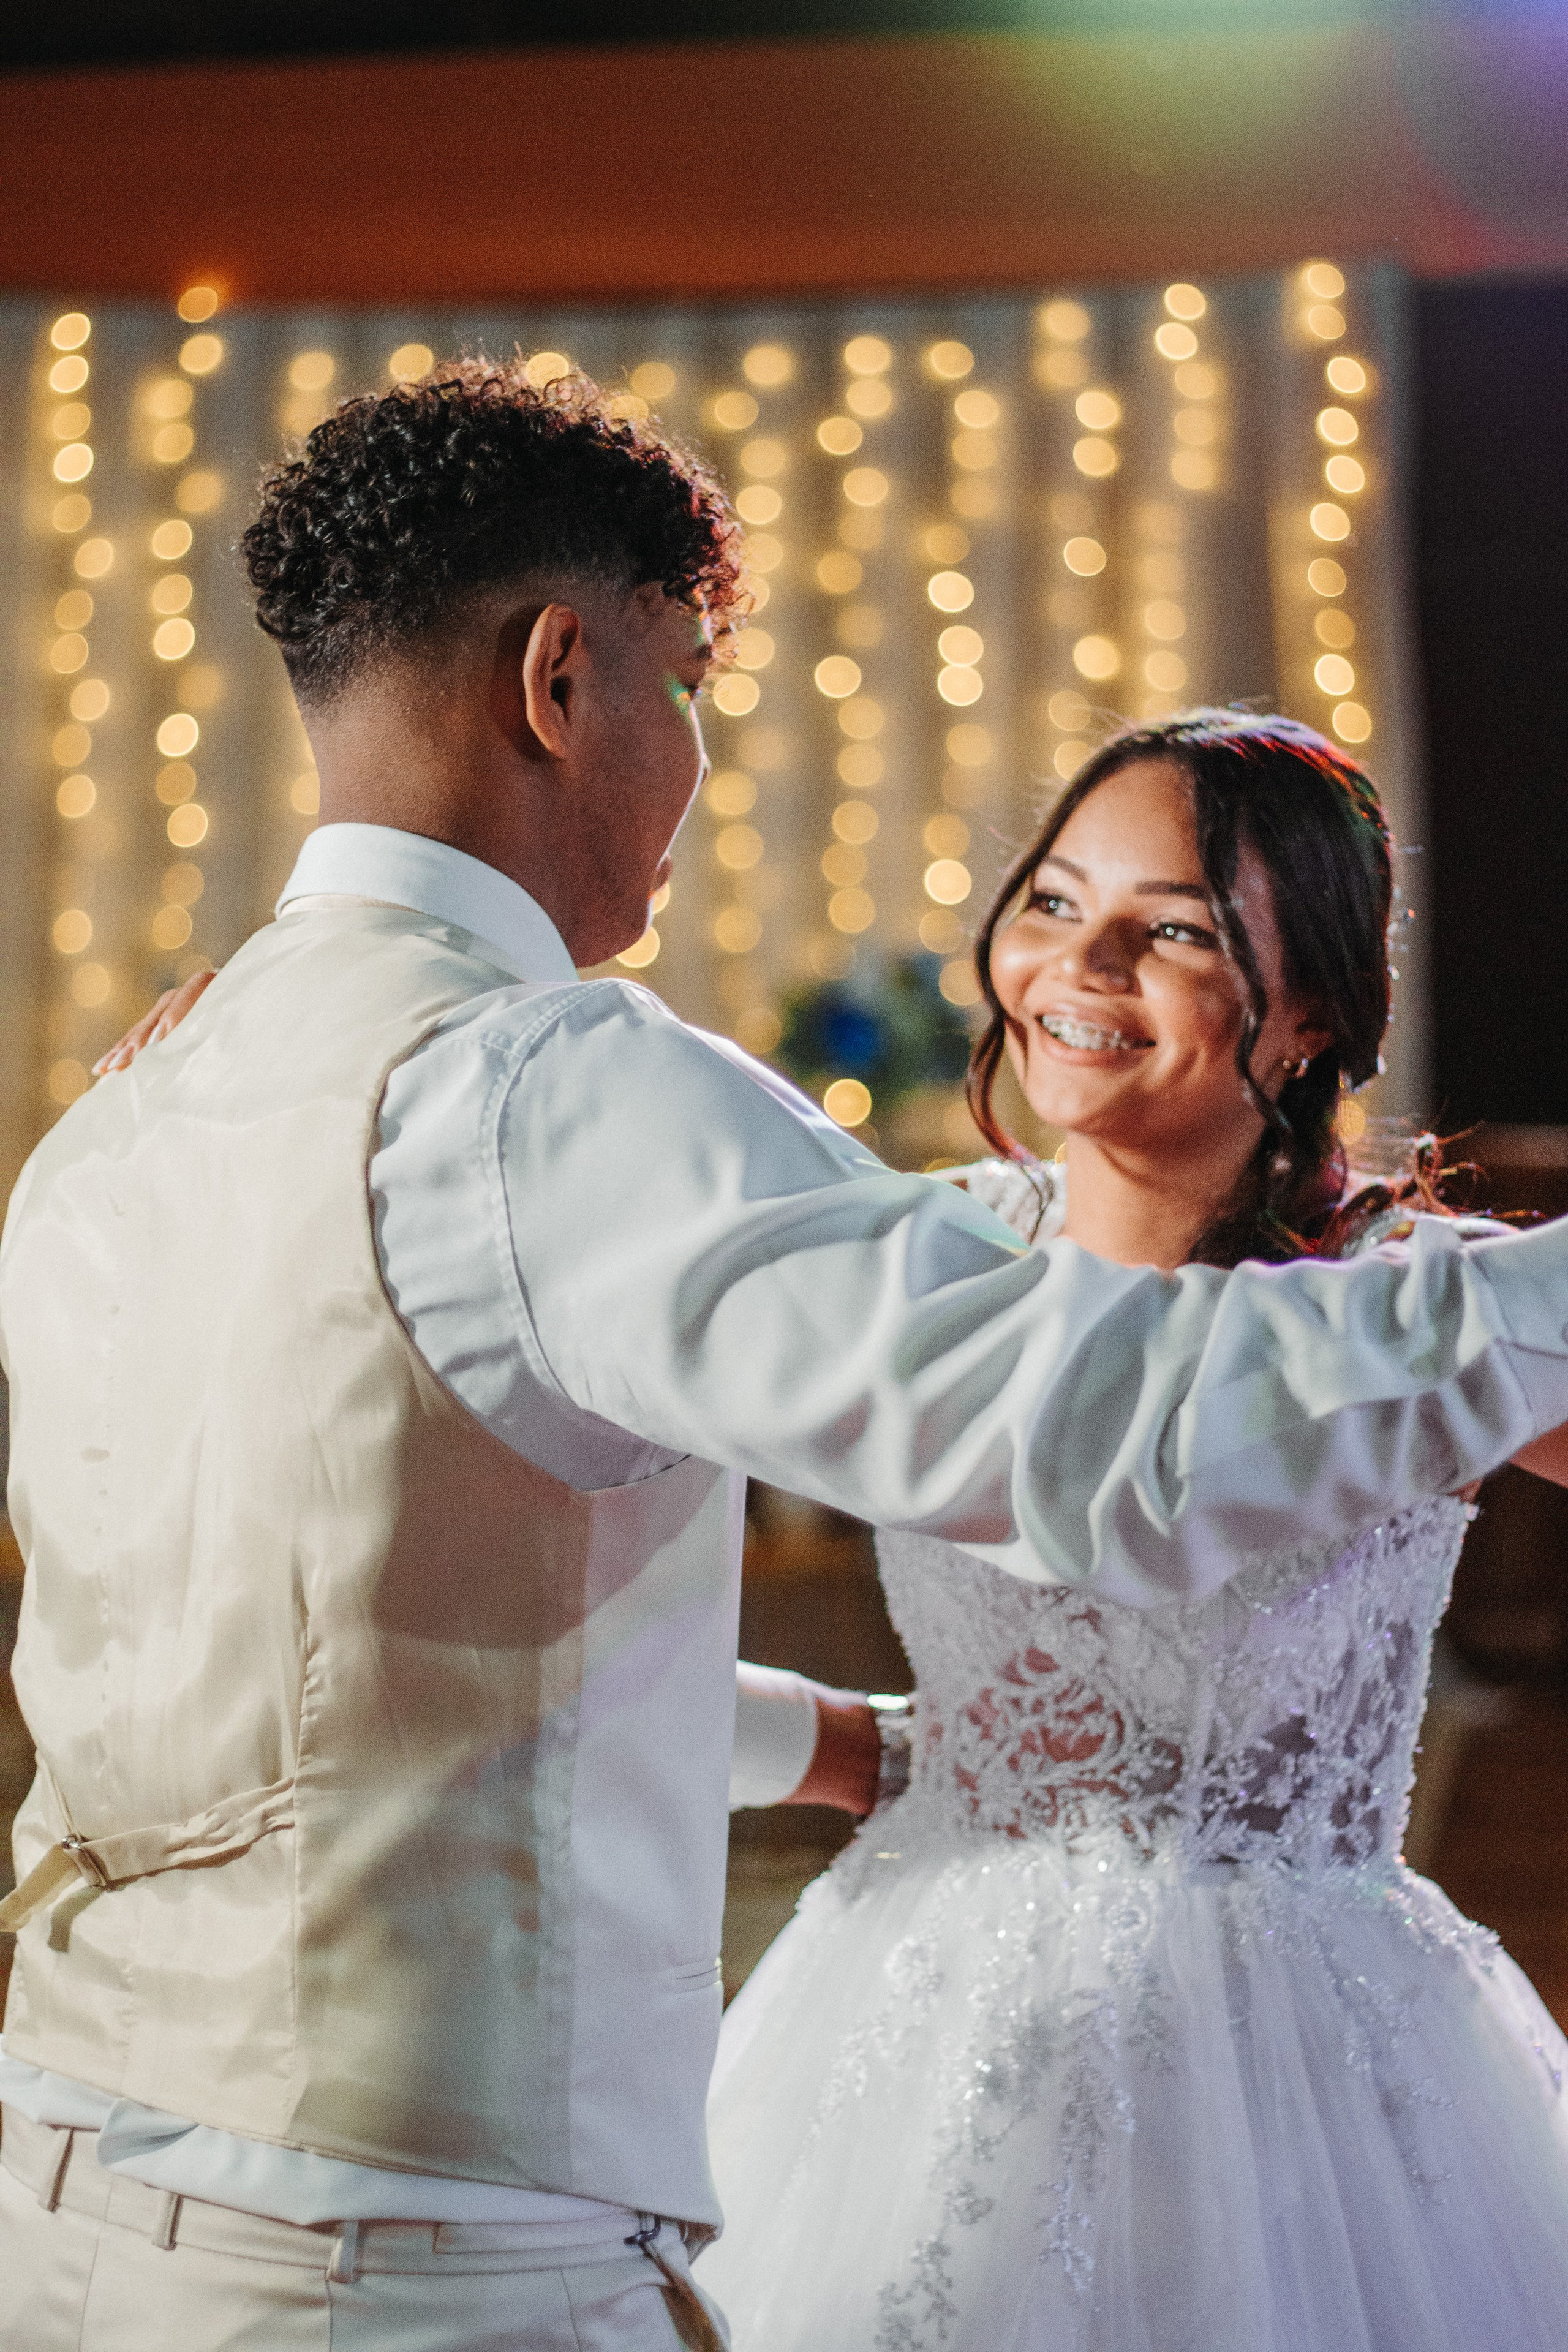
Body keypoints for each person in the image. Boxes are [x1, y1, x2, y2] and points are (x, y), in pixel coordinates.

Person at [1, 364, 1567, 2352]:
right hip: (384, 2256)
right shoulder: (548, 1093)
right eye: (685, 687)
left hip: (71, 2187)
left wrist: (842, 1747)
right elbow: (1111, 1434)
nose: (694, 762)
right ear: (563, 680)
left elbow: (352, 1631)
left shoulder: (126, 1115)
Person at [701, 712, 1568, 2351]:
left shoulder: (1417, 1307)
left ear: (1309, 1009)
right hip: (910, 2035)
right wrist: (855, 1752)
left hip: (1310, 2085)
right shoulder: (926, 1262)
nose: (1077, 966)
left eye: (1170, 928)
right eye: (1051, 902)